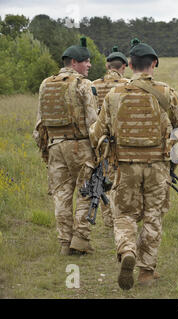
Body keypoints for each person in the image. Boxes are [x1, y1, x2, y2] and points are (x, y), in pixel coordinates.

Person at [89, 38, 178, 290]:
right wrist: (176, 159)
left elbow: (98, 132)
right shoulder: (167, 92)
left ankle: (127, 249)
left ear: (130, 64)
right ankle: (146, 272)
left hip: (125, 165)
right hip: (157, 166)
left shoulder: (114, 94)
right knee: (153, 216)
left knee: (124, 214)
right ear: (154, 64)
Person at [33, 36, 98, 255]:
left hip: (54, 147)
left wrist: (46, 150)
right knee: (86, 192)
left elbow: (38, 126)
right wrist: (100, 151)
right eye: (86, 61)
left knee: (61, 196)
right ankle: (80, 240)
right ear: (74, 62)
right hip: (79, 147)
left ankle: (64, 243)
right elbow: (93, 123)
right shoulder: (82, 84)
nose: (89, 65)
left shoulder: (45, 84)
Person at [92, 46, 129, 229]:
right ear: (124, 66)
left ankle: (108, 219)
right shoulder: (129, 84)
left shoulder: (93, 85)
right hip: (123, 142)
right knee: (121, 180)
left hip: (100, 141)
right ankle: (120, 215)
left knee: (103, 178)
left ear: (108, 66)